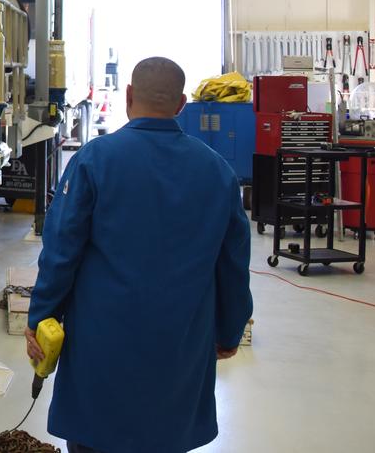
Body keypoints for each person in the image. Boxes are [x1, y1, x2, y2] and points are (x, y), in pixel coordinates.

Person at [25, 57, 252, 453]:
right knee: (166, 436)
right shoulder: (218, 172)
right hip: (181, 345)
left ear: (128, 95)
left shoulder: (93, 160)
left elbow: (61, 251)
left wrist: (41, 316)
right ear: (181, 104)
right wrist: (230, 330)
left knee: (95, 437)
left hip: (100, 343)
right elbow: (233, 266)